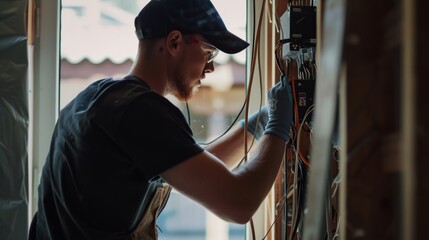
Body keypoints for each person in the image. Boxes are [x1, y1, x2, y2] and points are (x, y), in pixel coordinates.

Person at [28, 0, 293, 239]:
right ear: (174, 42)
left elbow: (194, 167)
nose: (210, 67)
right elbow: (239, 203)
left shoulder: (98, 97)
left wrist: (256, 125)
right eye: (209, 53)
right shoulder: (140, 109)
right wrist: (278, 126)